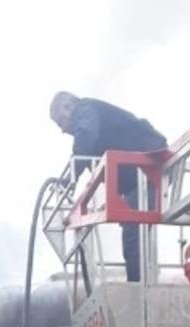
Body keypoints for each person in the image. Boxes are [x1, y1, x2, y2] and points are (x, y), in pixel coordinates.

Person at [50, 91, 166, 283]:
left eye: (61, 122)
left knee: (134, 231)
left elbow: (85, 138)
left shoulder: (84, 109)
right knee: (134, 231)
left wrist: (70, 178)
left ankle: (138, 291)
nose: (62, 130)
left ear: (68, 106)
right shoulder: (94, 117)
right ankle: (140, 285)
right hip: (137, 175)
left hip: (146, 166)